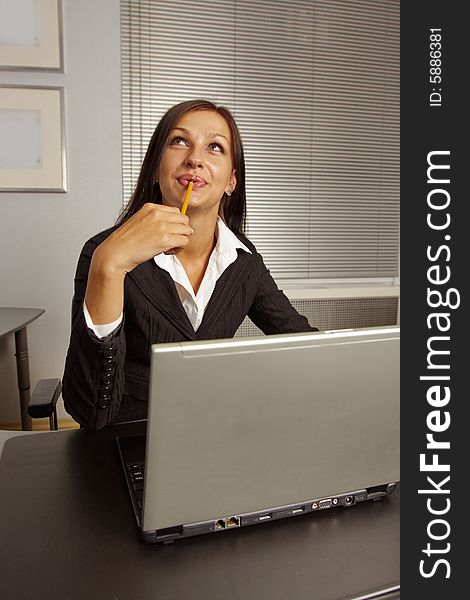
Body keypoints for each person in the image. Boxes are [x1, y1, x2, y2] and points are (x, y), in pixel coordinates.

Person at [62, 99, 317, 430]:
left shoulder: (244, 260)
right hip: (127, 439)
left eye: (215, 147)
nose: (195, 159)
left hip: (211, 432)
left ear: (231, 181)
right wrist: (109, 266)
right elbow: (90, 413)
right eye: (179, 141)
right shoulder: (104, 252)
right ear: (156, 168)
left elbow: (301, 341)